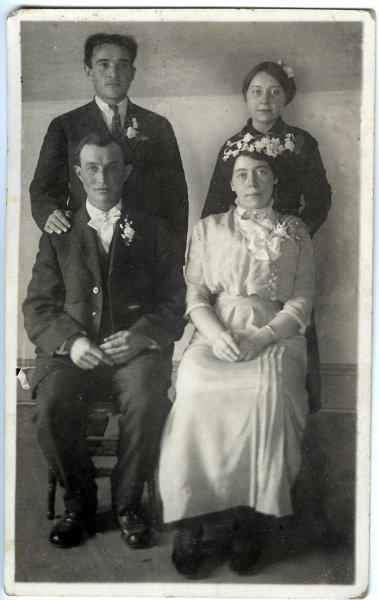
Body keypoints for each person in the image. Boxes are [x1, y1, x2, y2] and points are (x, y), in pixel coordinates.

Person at [158, 134, 315, 578]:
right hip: (217, 331)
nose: (252, 182)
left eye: (261, 172)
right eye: (242, 174)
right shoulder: (208, 229)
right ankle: (190, 516)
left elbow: (301, 302)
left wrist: (262, 337)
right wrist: (215, 334)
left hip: (275, 334)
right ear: (231, 183)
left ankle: (250, 516)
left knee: (268, 393)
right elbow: (196, 296)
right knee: (195, 389)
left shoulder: (296, 230)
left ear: (276, 179)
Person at [23, 132, 186, 549]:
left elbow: (173, 302)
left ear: (126, 171)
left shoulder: (155, 230)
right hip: (72, 354)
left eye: (112, 167)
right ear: (78, 174)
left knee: (148, 399)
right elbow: (38, 308)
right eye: (92, 168)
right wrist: (72, 342)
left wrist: (142, 337)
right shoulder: (57, 233)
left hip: (133, 354)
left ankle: (128, 503)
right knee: (51, 404)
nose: (102, 177)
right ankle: (79, 502)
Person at [202, 60, 331, 411]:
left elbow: (320, 199)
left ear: (285, 98)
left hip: (285, 247)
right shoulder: (231, 147)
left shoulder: (301, 142)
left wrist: (291, 236)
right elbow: (213, 208)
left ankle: (299, 413)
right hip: (239, 254)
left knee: (294, 318)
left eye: (274, 92)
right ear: (245, 97)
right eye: (256, 92)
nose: (265, 100)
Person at [30, 32, 188, 261]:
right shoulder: (65, 126)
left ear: (132, 73)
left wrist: (173, 256)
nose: (113, 73)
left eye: (122, 65)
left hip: (144, 248)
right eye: (103, 65)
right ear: (88, 70)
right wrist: (49, 213)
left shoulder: (158, 126)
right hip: (86, 247)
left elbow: (176, 198)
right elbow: (43, 189)